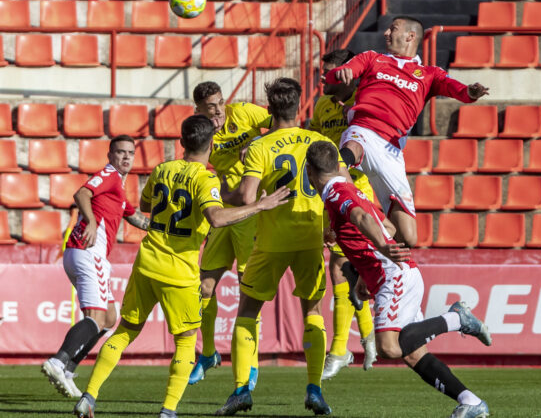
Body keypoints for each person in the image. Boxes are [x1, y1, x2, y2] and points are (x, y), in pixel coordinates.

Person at [73, 115, 290, 418]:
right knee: (186, 341)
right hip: (179, 271)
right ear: (211, 144)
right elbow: (216, 217)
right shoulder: (206, 177)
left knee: (123, 332)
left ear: (182, 142)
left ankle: (89, 396)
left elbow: (147, 205)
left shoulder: (162, 169)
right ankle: (168, 411)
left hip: (147, 263)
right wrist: (258, 206)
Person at [306, 140, 492, 418]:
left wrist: (380, 249)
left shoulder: (334, 191)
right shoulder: (349, 189)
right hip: (391, 273)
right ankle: (471, 401)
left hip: (393, 275)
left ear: (309, 172)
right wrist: (364, 274)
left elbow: (361, 217)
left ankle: (457, 318)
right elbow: (387, 225)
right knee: (413, 353)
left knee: (390, 348)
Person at [216, 78, 349, 416]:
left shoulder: (261, 146)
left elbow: (247, 198)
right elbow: (343, 186)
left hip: (272, 241)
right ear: (300, 105)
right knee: (313, 312)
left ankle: (242, 390)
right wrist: (333, 226)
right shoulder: (320, 141)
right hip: (310, 238)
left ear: (269, 108)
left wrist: (221, 194)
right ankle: (315, 389)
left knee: (248, 311)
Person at [325, 15, 489, 248]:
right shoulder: (372, 58)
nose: (386, 33)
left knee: (408, 236)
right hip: (363, 130)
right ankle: (343, 217)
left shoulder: (430, 74)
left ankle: (364, 275)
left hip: (391, 152)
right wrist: (342, 73)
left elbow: (460, 91)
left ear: (410, 36)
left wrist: (471, 92)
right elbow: (336, 74)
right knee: (343, 159)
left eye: (393, 29)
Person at [42, 135, 150, 399]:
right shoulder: (110, 175)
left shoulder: (119, 190)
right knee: (96, 317)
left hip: (81, 253)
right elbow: (81, 193)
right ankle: (59, 362)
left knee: (109, 318)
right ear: (110, 155)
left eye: (130, 153)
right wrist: (90, 221)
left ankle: (68, 369)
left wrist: (163, 226)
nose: (126, 157)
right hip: (90, 253)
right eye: (120, 152)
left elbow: (134, 217)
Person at [189, 81, 272, 387]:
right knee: (204, 287)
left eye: (221, 102)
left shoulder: (245, 113)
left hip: (248, 213)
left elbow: (284, 124)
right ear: (198, 109)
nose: (219, 110)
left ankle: (250, 366)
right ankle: (208, 353)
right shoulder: (201, 130)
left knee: (247, 290)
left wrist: (260, 145)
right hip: (223, 212)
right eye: (211, 106)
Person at [310, 49, 377, 380]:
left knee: (339, 268)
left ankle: (339, 349)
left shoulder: (364, 101)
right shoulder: (323, 107)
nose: (326, 78)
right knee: (348, 269)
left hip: (356, 187)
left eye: (332, 72)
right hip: (328, 189)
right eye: (324, 73)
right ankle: (368, 336)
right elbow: (313, 139)